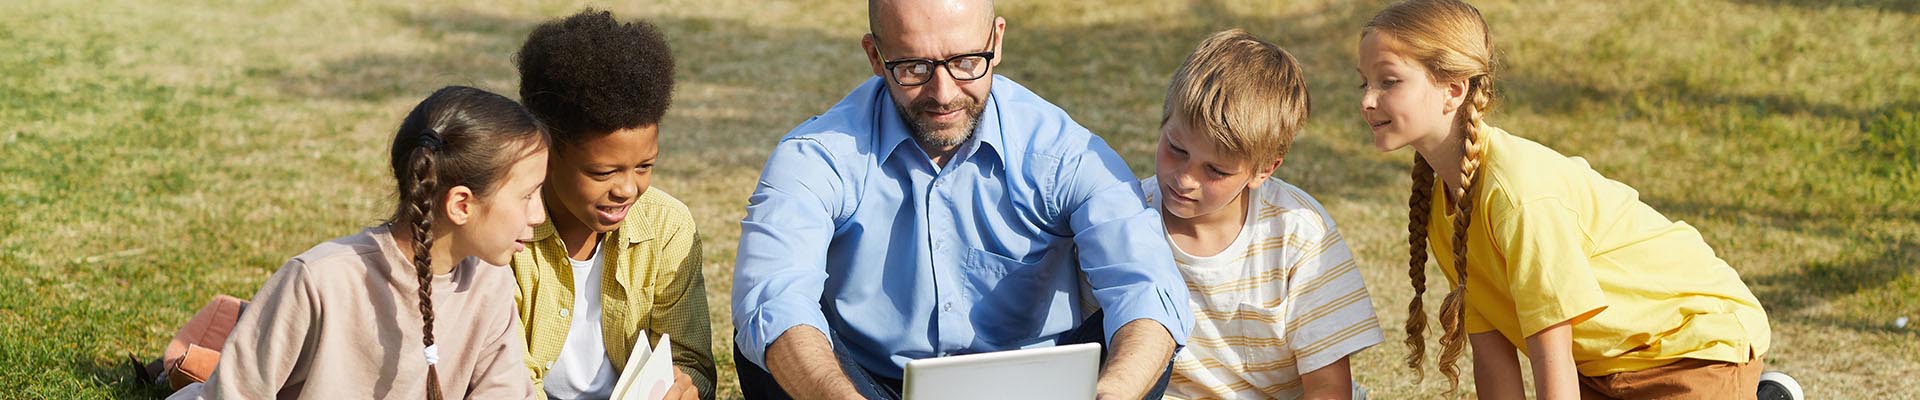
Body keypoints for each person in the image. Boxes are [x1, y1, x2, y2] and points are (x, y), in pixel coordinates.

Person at [728, 0, 1194, 398]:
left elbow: (1145, 285)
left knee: (1143, 341)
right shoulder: (817, 156)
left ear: (998, 39)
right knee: (774, 346)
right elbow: (773, 296)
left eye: (967, 61)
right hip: (869, 384)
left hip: (1043, 387)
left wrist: (1112, 393)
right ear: (875, 55)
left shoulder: (1062, 150)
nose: (944, 93)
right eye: (914, 68)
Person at [1355, 1, 1790, 398]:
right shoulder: (1444, 203)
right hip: (1604, 370)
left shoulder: (1517, 194)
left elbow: (1551, 352)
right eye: (1364, 83)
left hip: (1691, 348)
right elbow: (1492, 355)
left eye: (1388, 81)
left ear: (1454, 89)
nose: (1367, 101)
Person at [169, 86, 548, 399]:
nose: (539, 215)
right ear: (461, 204)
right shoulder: (320, 280)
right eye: (528, 195)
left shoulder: (490, 283)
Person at [1142, 29, 1381, 400]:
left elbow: (1328, 389)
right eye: (1176, 149)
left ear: (1263, 170)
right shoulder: (1128, 217)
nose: (1186, 178)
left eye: (1215, 171)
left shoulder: (1298, 232)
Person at [509, 9, 715, 400]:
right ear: (547, 153)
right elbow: (507, 380)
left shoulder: (667, 226)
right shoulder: (505, 235)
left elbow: (693, 362)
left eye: (644, 167)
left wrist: (685, 385)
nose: (627, 189)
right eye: (603, 173)